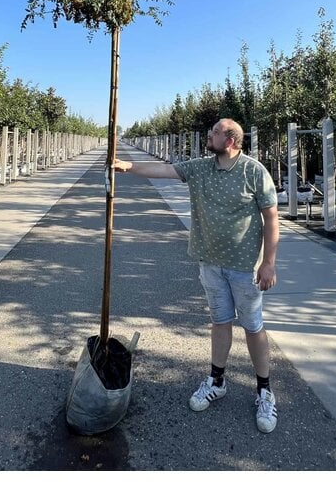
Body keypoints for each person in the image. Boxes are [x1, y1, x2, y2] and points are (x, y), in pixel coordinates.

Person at [114, 118, 280, 433]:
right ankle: (217, 381)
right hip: (210, 264)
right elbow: (163, 170)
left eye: (215, 131)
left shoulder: (254, 171)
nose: (209, 134)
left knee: (253, 326)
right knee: (220, 322)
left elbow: (271, 218)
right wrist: (126, 166)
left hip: (244, 267)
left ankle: (264, 390)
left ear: (230, 140)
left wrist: (269, 262)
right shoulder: (202, 167)